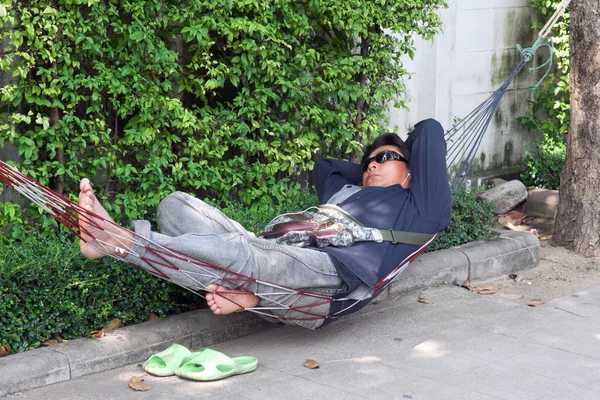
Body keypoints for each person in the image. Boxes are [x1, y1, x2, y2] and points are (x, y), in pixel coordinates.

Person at [78, 119, 451, 329]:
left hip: (329, 277)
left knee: (246, 253)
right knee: (175, 205)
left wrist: (407, 157)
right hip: (272, 253)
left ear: (413, 170)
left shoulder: (419, 207)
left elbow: (431, 130)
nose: (371, 164)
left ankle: (117, 242)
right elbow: (326, 166)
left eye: (385, 157)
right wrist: (376, 164)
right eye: (368, 159)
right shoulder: (347, 190)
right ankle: (245, 291)